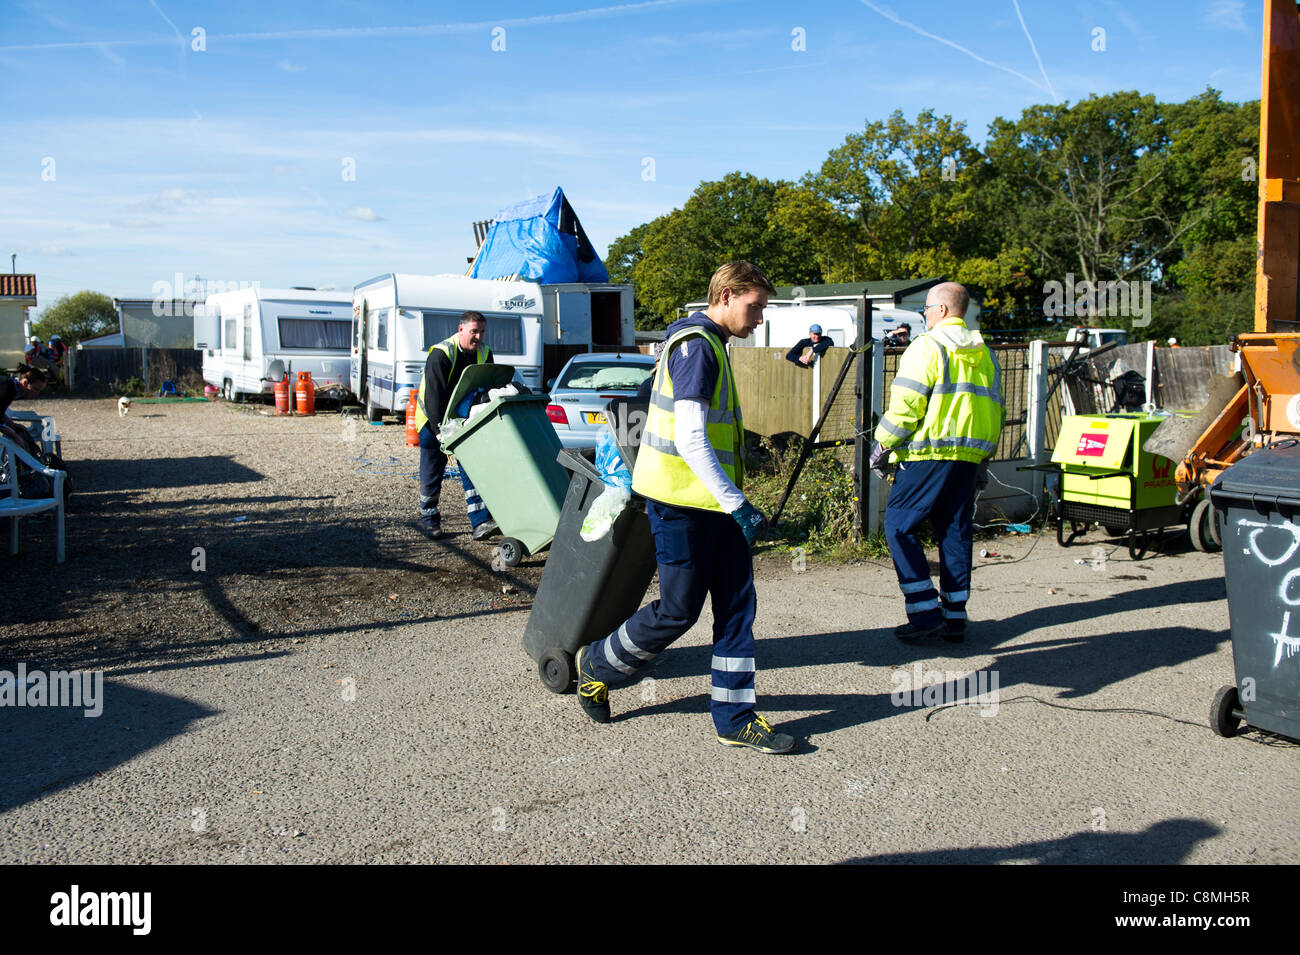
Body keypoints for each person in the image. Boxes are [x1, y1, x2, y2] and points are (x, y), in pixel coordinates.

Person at [574, 261, 796, 754]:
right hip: (681, 504)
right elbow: (692, 439)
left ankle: (735, 717)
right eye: (754, 306)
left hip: (712, 505)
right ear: (727, 295)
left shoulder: (710, 343)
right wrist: (740, 505)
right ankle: (597, 665)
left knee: (737, 607)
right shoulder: (697, 347)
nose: (760, 318)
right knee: (678, 612)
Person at [869, 282, 1004, 642]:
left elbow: (907, 404)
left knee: (899, 525)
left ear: (942, 311)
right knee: (954, 532)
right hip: (968, 457)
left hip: (928, 454)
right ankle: (955, 616)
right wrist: (983, 457)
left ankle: (925, 612)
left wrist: (882, 444)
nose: (924, 316)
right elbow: (996, 408)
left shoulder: (927, 346)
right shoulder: (986, 354)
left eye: (926, 310)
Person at [413, 310, 498, 541]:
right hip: (432, 421)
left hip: (462, 420)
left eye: (482, 332)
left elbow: (487, 388)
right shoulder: (441, 354)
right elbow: (433, 397)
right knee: (433, 470)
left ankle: (480, 522)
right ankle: (430, 520)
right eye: (474, 331)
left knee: (472, 466)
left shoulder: (485, 353)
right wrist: (440, 430)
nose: (478, 337)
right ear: (461, 330)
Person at [0, 365, 48, 456]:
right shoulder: (7, 387)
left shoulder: (11, 387)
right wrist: (15, 437)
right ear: (25, 383)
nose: (36, 393)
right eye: (35, 389)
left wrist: (12, 424)